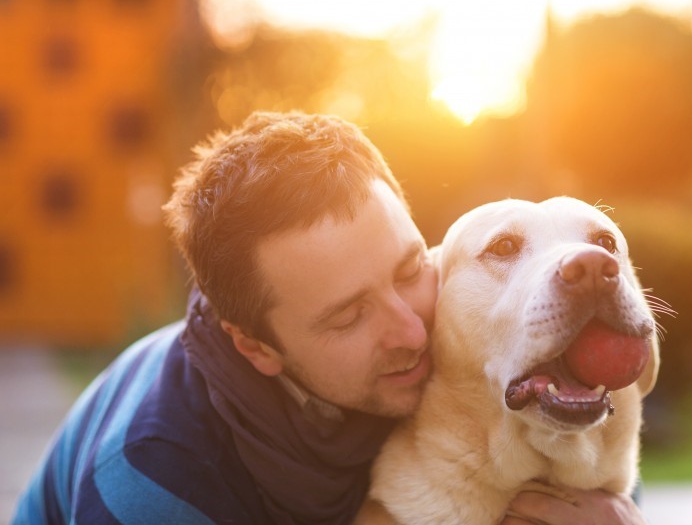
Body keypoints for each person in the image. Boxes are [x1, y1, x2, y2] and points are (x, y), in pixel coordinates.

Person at [12, 111, 646, 525]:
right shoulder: (153, 480)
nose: (412, 331)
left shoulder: (470, 375)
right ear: (257, 347)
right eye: (348, 317)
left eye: (409, 270)